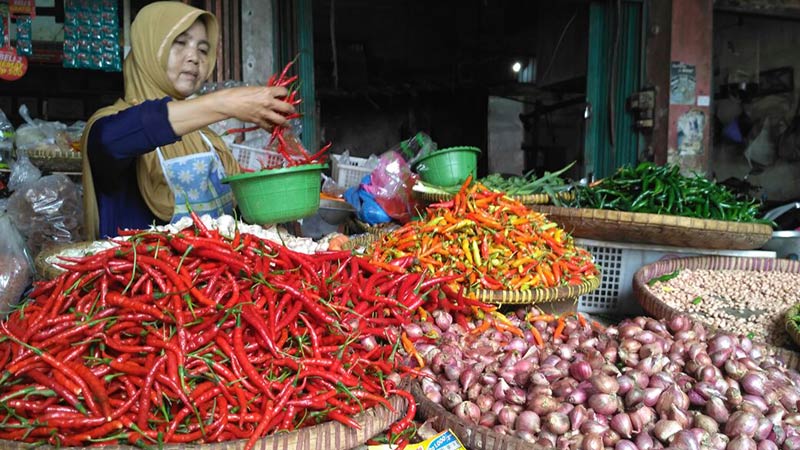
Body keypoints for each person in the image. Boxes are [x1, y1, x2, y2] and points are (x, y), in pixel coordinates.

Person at [81, 1, 295, 240]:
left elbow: (231, 221)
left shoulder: (208, 140)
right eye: (179, 43)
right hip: (138, 276)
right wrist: (224, 104)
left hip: (208, 277)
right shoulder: (108, 126)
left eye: (203, 49)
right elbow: (116, 138)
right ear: (148, 49)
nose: (194, 57)